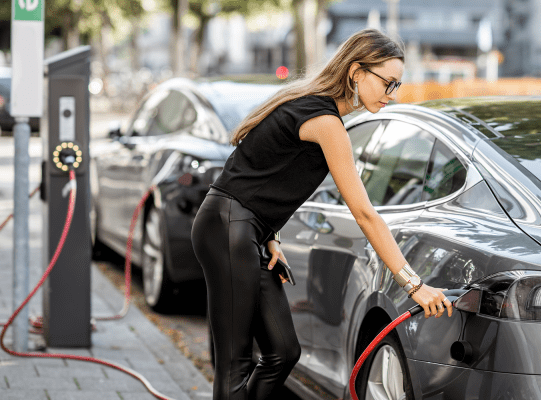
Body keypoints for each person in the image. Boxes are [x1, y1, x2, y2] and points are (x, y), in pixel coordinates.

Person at [191, 28, 453, 400]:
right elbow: (365, 214)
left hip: (243, 228)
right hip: (229, 227)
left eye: (397, 86)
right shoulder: (325, 122)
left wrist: (270, 236)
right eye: (388, 83)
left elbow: (264, 172)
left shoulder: (313, 108)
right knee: (234, 366)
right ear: (356, 72)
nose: (391, 95)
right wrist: (414, 284)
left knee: (283, 352)